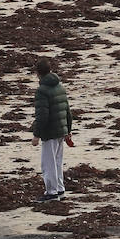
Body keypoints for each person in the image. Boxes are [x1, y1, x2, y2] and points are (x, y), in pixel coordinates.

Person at [31, 58, 73, 202]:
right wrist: (68, 129)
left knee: (48, 164)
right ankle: (59, 189)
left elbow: (42, 116)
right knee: (57, 161)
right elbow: (68, 110)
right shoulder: (60, 86)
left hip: (50, 131)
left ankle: (51, 192)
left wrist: (36, 135)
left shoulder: (41, 91)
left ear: (37, 73)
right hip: (62, 129)